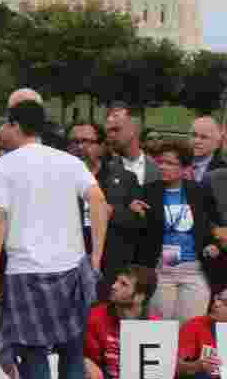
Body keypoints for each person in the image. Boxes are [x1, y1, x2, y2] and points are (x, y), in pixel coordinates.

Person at [0, 100, 108, 379]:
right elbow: (99, 202)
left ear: (14, 125)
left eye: (5, 125)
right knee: (71, 350)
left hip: (26, 270)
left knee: (34, 352)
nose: (1, 131)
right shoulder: (70, 162)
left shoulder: (2, 166)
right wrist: (94, 257)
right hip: (71, 266)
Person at [84, 265, 210, 379]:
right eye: (116, 281)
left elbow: (164, 370)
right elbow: (88, 363)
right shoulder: (96, 317)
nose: (113, 286)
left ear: (140, 297)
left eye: (123, 284)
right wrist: (86, 362)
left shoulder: (154, 324)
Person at [131, 139, 219, 322]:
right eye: (160, 162)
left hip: (194, 269)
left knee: (190, 326)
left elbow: (212, 225)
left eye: (170, 163)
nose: (163, 167)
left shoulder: (199, 192)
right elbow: (138, 230)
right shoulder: (148, 191)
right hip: (161, 269)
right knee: (160, 327)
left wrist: (213, 244)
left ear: (184, 167)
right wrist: (132, 209)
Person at [67, 121, 143, 297]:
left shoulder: (125, 179)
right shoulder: (56, 178)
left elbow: (140, 221)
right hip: (68, 261)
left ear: (101, 146)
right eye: (74, 142)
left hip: (110, 264)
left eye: (87, 141)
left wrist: (112, 212)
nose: (80, 147)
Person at [176, 285, 227, 379]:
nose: (216, 303)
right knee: (207, 378)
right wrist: (197, 365)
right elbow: (175, 367)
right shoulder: (195, 325)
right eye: (218, 298)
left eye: (225, 303)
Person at [106, 105, 160, 186]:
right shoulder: (106, 168)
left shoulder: (158, 169)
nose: (111, 135)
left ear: (134, 129)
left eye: (116, 130)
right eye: (109, 131)